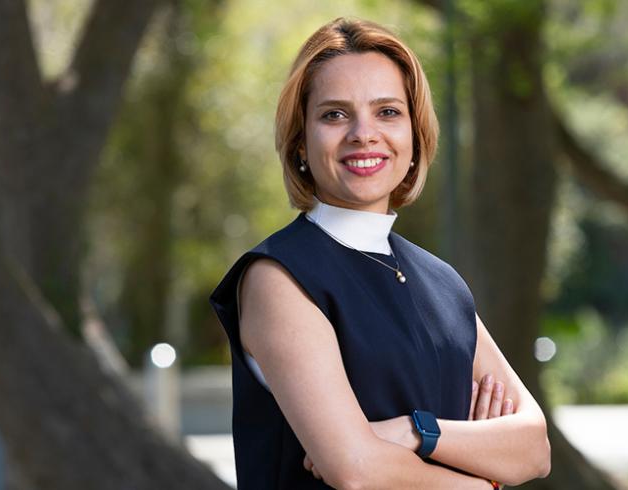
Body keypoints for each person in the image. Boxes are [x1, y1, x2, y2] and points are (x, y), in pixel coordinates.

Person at [209, 17, 551, 489]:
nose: (363, 134)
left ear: (414, 136)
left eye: (387, 111)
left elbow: (534, 448)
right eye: (335, 115)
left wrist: (417, 431)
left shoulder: (442, 282)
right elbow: (355, 470)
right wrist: (482, 480)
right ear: (301, 142)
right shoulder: (279, 278)